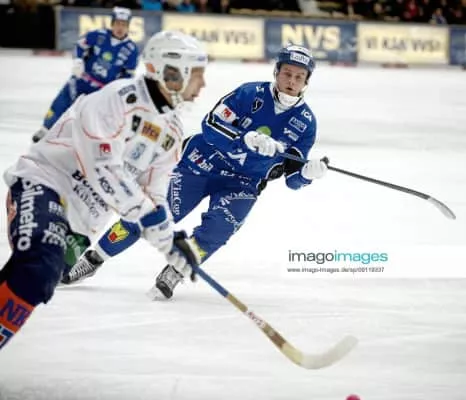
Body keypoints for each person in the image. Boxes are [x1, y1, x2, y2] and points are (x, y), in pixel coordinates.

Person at [62, 44, 328, 300]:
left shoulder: (306, 123)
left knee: (219, 229)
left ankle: (176, 270)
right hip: (200, 164)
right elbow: (210, 125)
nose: (291, 81)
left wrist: (308, 174)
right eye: (287, 73)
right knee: (148, 214)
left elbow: (293, 178)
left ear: (306, 81)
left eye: (299, 77)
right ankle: (94, 258)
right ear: (276, 72)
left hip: (243, 183)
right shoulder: (249, 93)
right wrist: (243, 139)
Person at [0, 30, 208, 351]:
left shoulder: (172, 131)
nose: (203, 84)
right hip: (44, 184)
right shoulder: (117, 98)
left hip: (83, 222)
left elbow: (154, 195)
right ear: (172, 73)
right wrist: (149, 217)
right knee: (38, 264)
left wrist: (171, 244)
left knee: (40, 279)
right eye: (196, 74)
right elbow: (101, 167)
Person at [32, 7, 139, 143]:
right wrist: (78, 61)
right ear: (112, 23)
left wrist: (117, 90)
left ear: (128, 26)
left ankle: (81, 141)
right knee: (62, 102)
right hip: (81, 80)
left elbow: (128, 75)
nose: (120, 28)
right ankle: (45, 129)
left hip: (101, 91)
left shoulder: (132, 49)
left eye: (124, 24)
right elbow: (79, 46)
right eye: (117, 23)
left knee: (91, 118)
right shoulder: (98, 35)